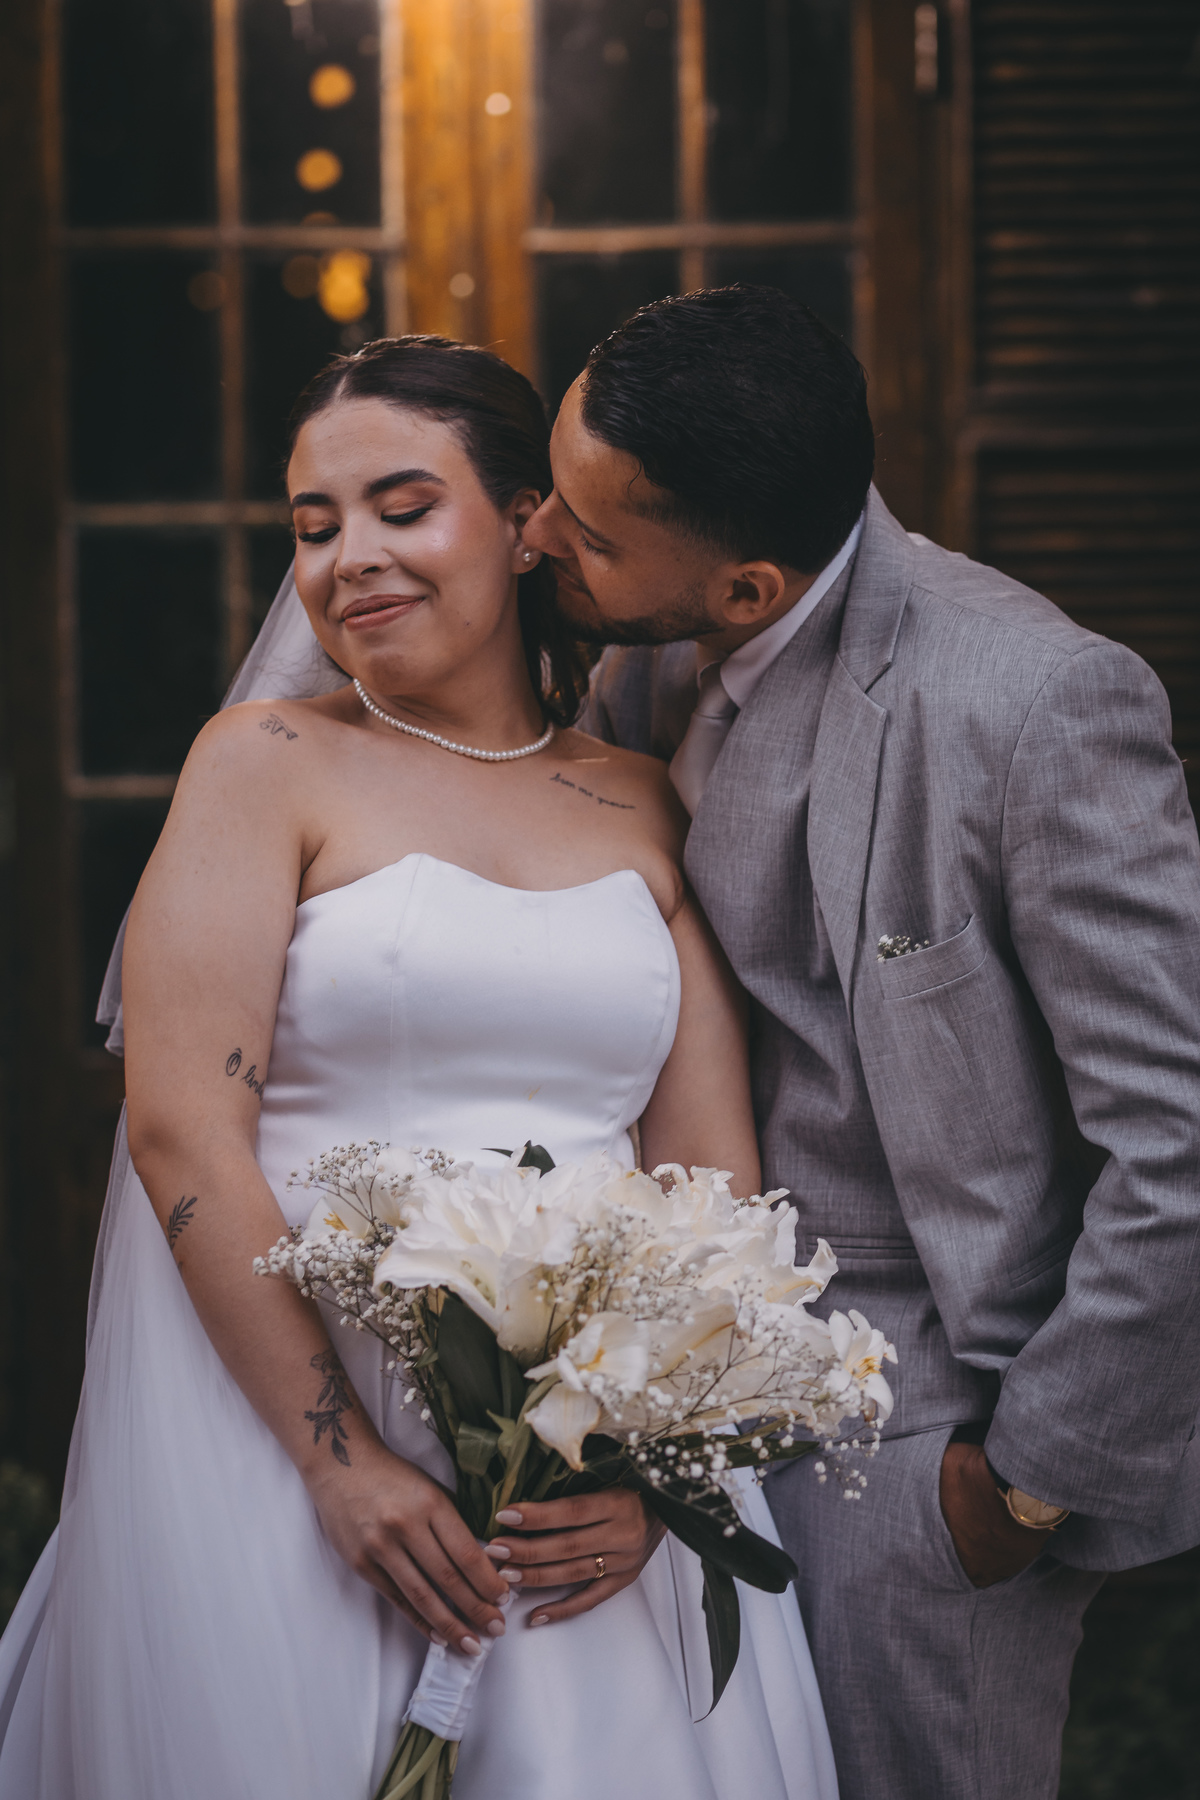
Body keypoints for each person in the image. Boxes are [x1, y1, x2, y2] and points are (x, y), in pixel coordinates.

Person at [0, 337, 837, 1800]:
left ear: (525, 527)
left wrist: (647, 1473)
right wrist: (340, 1465)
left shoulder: (644, 802)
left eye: (401, 508)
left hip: (572, 1472)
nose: (349, 561)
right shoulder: (262, 762)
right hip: (286, 1433)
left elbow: (710, 1183)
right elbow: (182, 1131)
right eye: (314, 527)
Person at [524, 283, 1200, 1800]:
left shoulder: (1034, 704)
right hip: (647, 1425)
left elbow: (1182, 1140)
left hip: (908, 1449)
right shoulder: (634, 646)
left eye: (587, 531)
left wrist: (1023, 1489)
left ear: (748, 588)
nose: (535, 537)